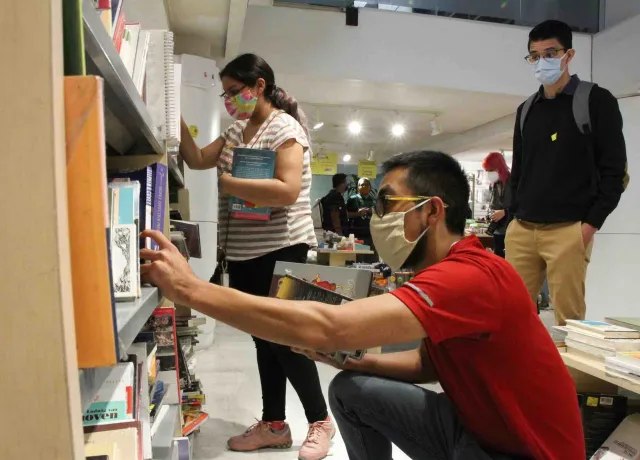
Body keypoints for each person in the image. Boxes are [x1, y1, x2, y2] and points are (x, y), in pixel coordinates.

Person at [141, 150, 585, 460]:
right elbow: (428, 366)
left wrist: (192, 290)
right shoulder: (443, 274)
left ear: (432, 212)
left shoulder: (471, 275)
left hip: (522, 452)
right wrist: (351, 361)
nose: (377, 215)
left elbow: (331, 326)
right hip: (478, 431)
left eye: (388, 202)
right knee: (351, 391)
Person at [178, 53, 335, 458]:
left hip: (283, 245)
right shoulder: (234, 132)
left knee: (286, 340)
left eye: (235, 91)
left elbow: (287, 189)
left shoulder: (284, 127)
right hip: (246, 252)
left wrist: (230, 184)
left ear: (259, 85)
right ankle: (274, 425)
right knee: (264, 340)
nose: (229, 100)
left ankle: (321, 421)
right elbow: (196, 159)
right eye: (225, 93)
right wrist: (170, 112)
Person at [507, 20, 627, 325]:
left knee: (569, 323)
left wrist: (588, 226)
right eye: (534, 56)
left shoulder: (597, 101)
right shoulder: (526, 110)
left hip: (569, 230)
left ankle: (569, 375)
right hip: (523, 229)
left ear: (569, 55)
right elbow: (519, 169)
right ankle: (521, 374)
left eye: (550, 53)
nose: (541, 61)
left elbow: (614, 171)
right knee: (510, 317)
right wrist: (512, 216)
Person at [482, 152, 511, 258]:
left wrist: (505, 212)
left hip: (510, 230)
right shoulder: (494, 185)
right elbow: (494, 204)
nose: (489, 173)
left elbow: (521, 205)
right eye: (487, 171)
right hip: (497, 230)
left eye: (491, 170)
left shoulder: (512, 182)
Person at [346, 177, 377, 262]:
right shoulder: (352, 199)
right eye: (361, 184)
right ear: (358, 187)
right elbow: (345, 215)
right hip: (357, 233)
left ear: (370, 187)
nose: (364, 186)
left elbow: (381, 214)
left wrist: (372, 211)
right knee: (358, 258)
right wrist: (357, 214)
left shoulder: (374, 200)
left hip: (372, 234)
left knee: (372, 258)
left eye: (366, 184)